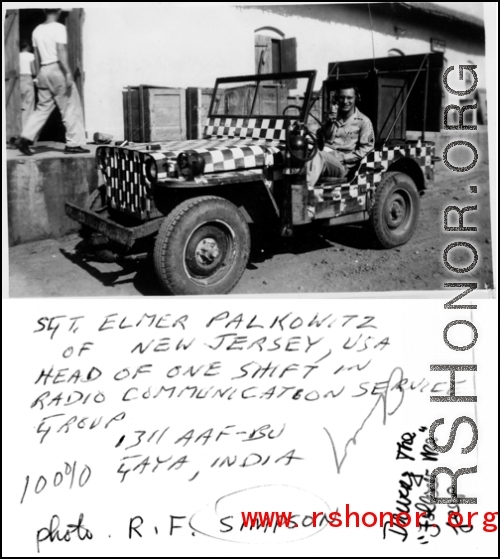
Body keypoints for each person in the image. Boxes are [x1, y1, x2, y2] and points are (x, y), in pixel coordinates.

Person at [16, 9, 89, 156]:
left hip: (43, 70)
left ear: (44, 10)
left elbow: (36, 55)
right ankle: (73, 143)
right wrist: (67, 72)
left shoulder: (36, 30)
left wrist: (37, 76)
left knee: (42, 108)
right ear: (58, 10)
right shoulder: (59, 28)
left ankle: (25, 138)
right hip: (57, 70)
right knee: (70, 107)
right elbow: (61, 50)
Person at [306, 84, 374, 187]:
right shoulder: (333, 116)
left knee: (317, 156)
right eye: (342, 98)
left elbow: (367, 149)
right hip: (326, 155)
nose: (345, 101)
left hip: (343, 167)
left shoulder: (363, 121)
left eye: (349, 98)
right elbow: (320, 138)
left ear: (357, 98)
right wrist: (328, 124)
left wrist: (343, 157)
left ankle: (303, 194)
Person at [19, 42, 36, 126]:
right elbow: (34, 71)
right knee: (29, 105)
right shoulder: (31, 56)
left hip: (18, 80)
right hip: (27, 79)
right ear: (28, 46)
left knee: (20, 105)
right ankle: (26, 130)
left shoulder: (17, 55)